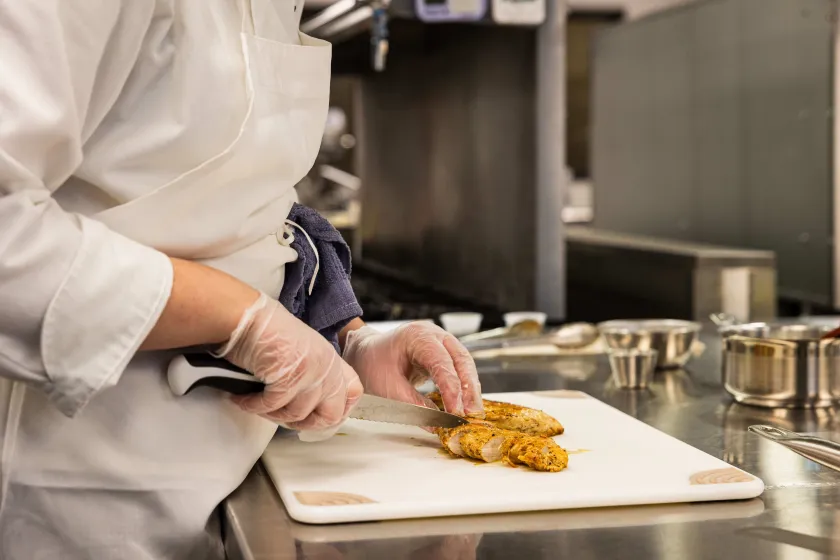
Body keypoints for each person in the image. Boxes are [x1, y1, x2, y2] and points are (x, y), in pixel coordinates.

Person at [0, 2, 483, 558]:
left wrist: (343, 339)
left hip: (234, 497)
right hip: (73, 501)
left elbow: (247, 211)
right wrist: (239, 319)